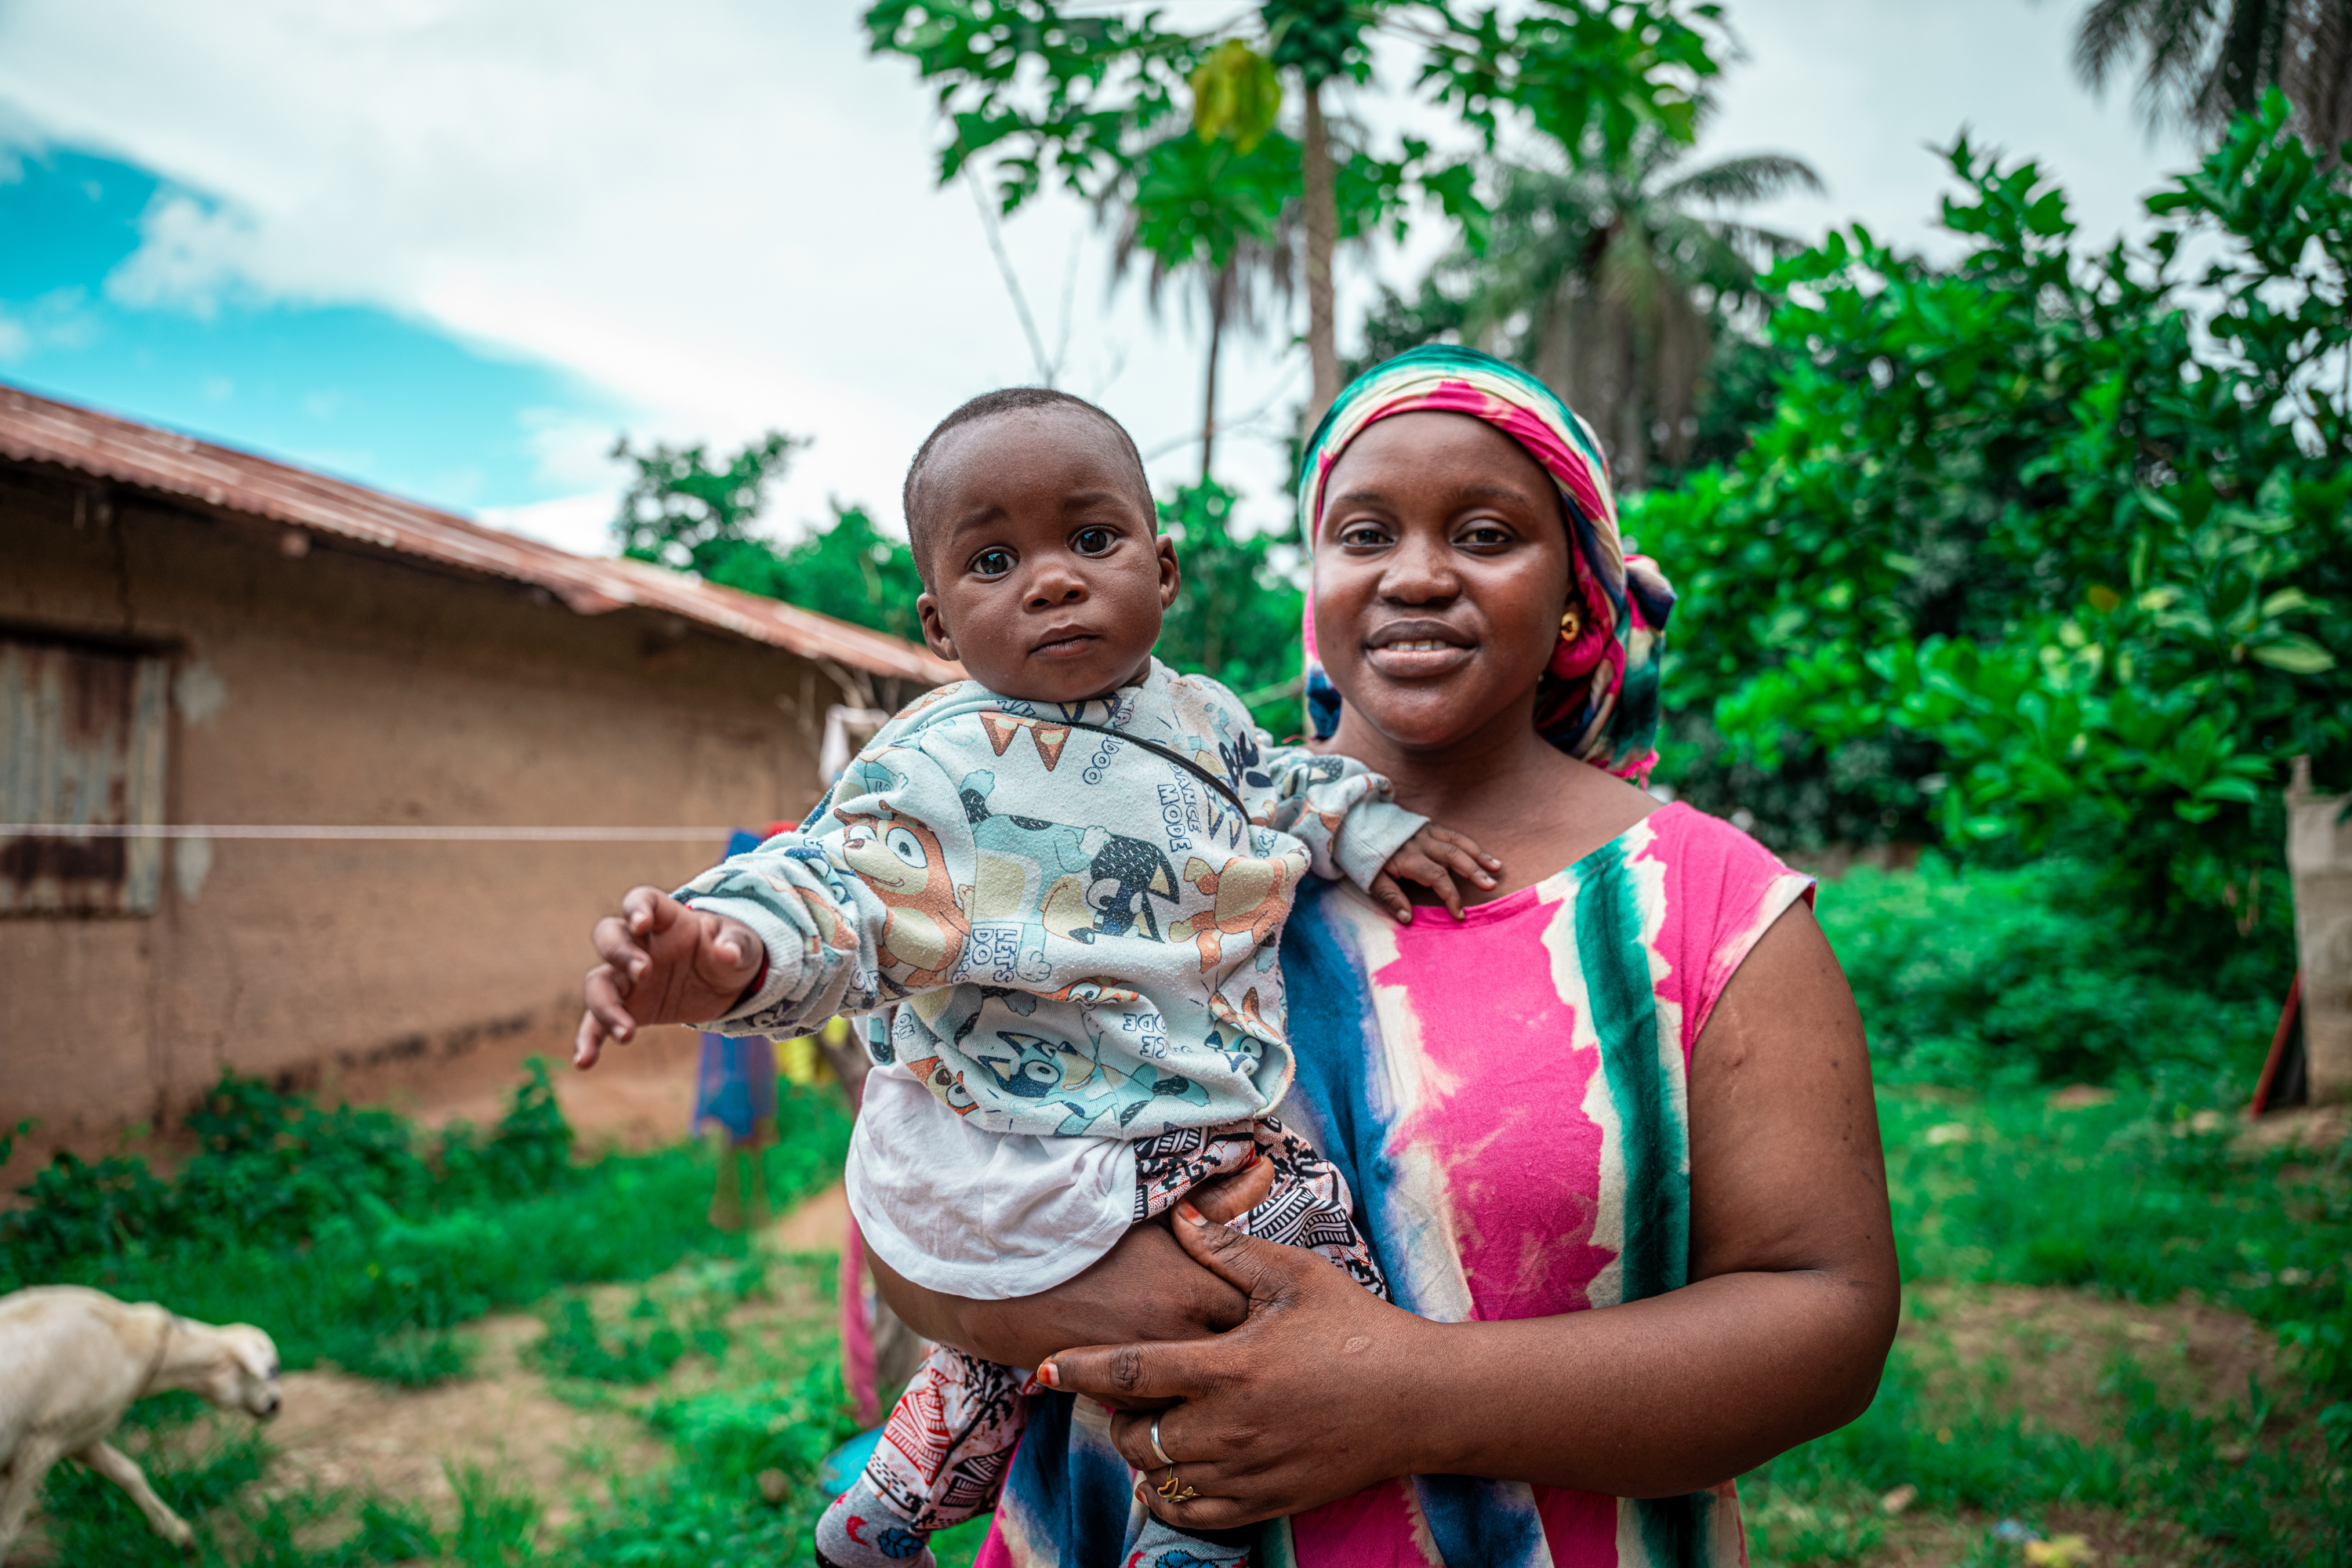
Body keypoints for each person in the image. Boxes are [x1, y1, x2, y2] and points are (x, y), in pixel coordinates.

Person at [855, 347, 1904, 1567]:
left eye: (1486, 534)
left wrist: (1403, 1395)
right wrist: (1086, 1296)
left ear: (1578, 588)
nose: (1416, 575)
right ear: (1318, 582)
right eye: (1364, 535)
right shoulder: (1141, 832)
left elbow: (1827, 1320)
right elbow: (907, 1198)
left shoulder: (1705, 903)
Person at [572, 387, 1501, 1568]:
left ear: (1165, 569)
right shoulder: (938, 763)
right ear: (939, 623)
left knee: (991, 1359)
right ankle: (1194, 1531)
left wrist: (1368, 831)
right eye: (994, 560)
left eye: (1092, 538)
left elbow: (1284, 786)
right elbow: (835, 884)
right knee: (1305, 1264)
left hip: (1098, 1126)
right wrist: (724, 951)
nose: (1052, 581)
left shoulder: (1205, 722)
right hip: (1070, 1132)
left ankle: (890, 1501)